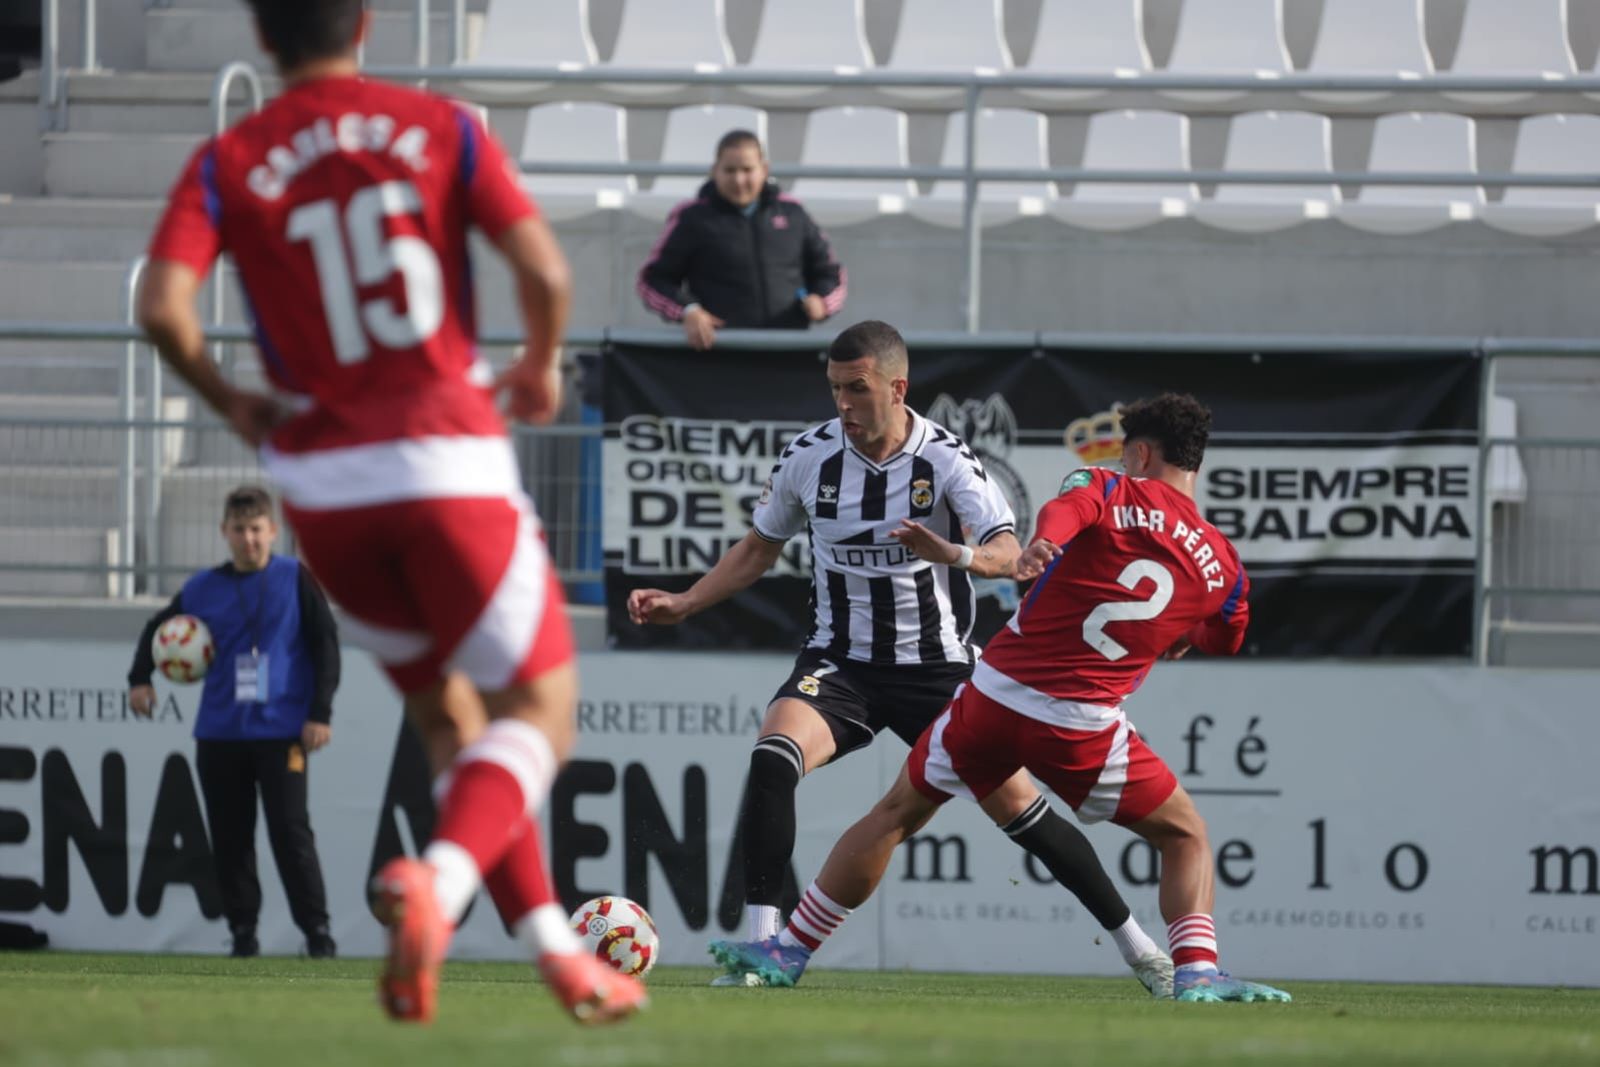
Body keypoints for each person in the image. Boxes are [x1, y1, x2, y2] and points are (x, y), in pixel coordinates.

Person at [136, 0, 643, 1026]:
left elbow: (161, 306)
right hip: (443, 458)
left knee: (454, 728)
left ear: (262, 34)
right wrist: (540, 363)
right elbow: (543, 268)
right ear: (365, 21)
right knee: (537, 711)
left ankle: (557, 953)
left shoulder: (226, 158)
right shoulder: (439, 125)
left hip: (325, 496)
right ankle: (439, 887)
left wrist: (227, 395)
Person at [629, 321, 1173, 995]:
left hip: (941, 671)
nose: (844, 405)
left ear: (896, 386)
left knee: (1020, 812)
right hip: (842, 664)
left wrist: (954, 554)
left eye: (857, 389)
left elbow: (1008, 551)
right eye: (833, 389)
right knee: (773, 755)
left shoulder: (946, 460)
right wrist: (684, 603)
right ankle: (761, 947)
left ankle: (1143, 951)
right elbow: (757, 549)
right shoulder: (809, 457)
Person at [709, 393, 1292, 1004]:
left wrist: (1043, 545)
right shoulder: (1223, 565)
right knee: (1185, 835)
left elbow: (1068, 509)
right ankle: (1195, 971)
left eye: (1126, 456)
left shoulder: (1107, 486)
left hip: (992, 697)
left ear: (1141, 453)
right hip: (1080, 724)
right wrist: (1178, 633)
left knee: (895, 813)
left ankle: (791, 948)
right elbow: (1225, 638)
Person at [128, 485, 338, 960]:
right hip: (220, 733)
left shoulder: (294, 578)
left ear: (273, 531)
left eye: (257, 530)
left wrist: (319, 713)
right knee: (230, 836)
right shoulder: (203, 588)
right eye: (239, 530)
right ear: (224, 532)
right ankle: (243, 931)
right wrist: (140, 678)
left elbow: (326, 645)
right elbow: (156, 629)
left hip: (283, 731)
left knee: (290, 830)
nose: (249, 539)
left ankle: (318, 933)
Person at [637, 129, 846, 350]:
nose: (738, 180)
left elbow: (831, 273)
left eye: (747, 170)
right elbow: (651, 281)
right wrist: (688, 311)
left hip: (788, 354)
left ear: (764, 170)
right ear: (714, 171)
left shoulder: (793, 213)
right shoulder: (691, 217)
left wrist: (822, 302)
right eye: (729, 170)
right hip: (720, 356)